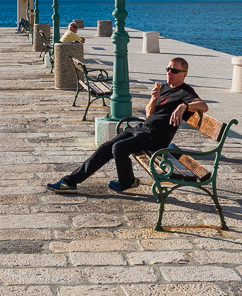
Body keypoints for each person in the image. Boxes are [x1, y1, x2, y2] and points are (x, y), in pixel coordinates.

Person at [46, 57, 208, 194]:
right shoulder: (164, 87)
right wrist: (153, 99)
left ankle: (127, 182)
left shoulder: (185, 91)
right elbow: (149, 114)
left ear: (184, 74)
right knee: (107, 146)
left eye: (174, 71)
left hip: (156, 138)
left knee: (119, 148)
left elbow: (203, 106)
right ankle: (71, 181)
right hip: (143, 129)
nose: (169, 73)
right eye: (168, 69)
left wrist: (183, 106)